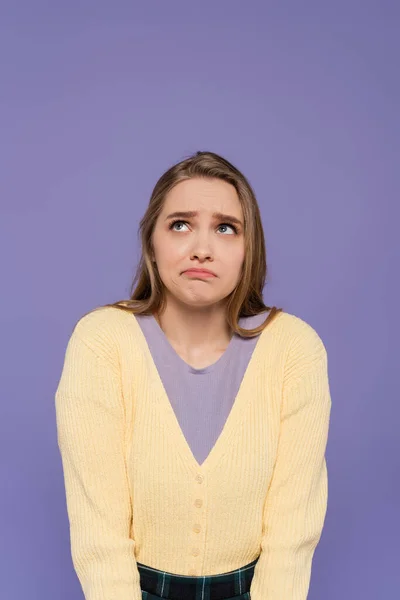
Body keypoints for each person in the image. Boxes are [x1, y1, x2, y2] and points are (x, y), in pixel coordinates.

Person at [55, 150, 332, 600]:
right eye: (180, 224)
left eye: (226, 228)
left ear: (249, 248)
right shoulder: (101, 341)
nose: (201, 247)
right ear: (152, 244)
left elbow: (292, 535)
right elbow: (98, 532)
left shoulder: (294, 349)